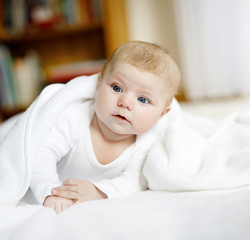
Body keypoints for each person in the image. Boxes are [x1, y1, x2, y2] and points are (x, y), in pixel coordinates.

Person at [30, 41, 181, 213]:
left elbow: (134, 180)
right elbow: (39, 153)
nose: (125, 102)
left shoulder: (148, 140)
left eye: (143, 99)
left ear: (162, 114)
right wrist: (50, 191)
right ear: (99, 83)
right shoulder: (75, 117)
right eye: (117, 88)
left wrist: (97, 191)